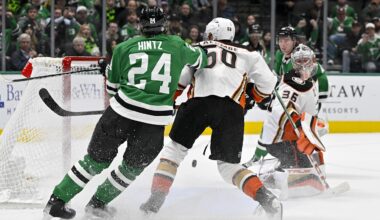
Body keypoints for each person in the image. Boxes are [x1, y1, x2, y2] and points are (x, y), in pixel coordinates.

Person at [140, 17, 320, 220]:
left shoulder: (199, 47)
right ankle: (267, 200)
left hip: (198, 103)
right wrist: (253, 96)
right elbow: (269, 85)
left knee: (174, 152)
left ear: (209, 35)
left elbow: (180, 81)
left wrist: (168, 102)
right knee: (228, 168)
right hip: (231, 110)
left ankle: (154, 203)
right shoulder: (248, 53)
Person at [42, 6, 207, 219]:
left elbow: (112, 89)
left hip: (120, 113)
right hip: (153, 122)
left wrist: (108, 70)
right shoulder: (177, 44)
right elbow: (201, 58)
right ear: (163, 24)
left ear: (140, 24)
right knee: (130, 169)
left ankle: (56, 201)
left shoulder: (124, 47)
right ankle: (97, 204)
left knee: (93, 162)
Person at [245, 44, 326, 198]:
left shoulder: (309, 83)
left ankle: (277, 174)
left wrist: (313, 131)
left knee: (309, 160)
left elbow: (310, 114)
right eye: (299, 61)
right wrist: (297, 122)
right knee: (296, 165)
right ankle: (271, 180)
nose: (303, 64)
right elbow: (279, 110)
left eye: (306, 60)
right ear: (294, 63)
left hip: (289, 137)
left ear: (312, 61)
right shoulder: (290, 83)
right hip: (278, 139)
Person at [252, 26, 329, 162]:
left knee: (298, 132)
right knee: (273, 125)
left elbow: (321, 74)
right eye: (280, 40)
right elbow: (277, 78)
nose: (283, 44)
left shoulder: (301, 55)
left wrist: (317, 101)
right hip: (291, 98)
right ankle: (261, 158)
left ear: (294, 40)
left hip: (305, 99)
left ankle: (303, 159)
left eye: (286, 40)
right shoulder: (279, 55)